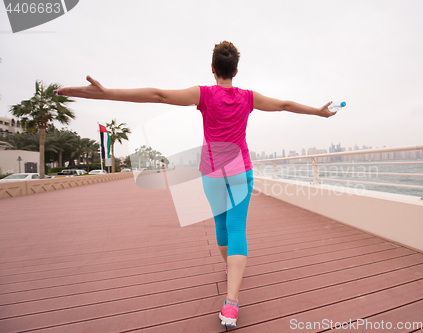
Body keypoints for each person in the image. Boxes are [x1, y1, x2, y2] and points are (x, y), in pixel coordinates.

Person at [54, 40, 337, 328]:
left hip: (212, 173)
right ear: (235, 71)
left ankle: (230, 269)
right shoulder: (248, 97)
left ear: (212, 69)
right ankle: (231, 303)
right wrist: (319, 111)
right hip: (241, 171)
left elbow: (158, 95)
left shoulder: (202, 94)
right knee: (238, 227)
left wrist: (105, 94)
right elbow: (286, 105)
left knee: (222, 226)